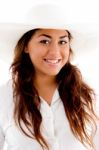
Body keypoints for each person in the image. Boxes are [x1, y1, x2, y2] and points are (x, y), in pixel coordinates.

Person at [0, 2, 99, 150]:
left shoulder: (90, 93)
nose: (55, 52)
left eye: (62, 41)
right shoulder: (4, 97)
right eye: (44, 41)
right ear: (26, 46)